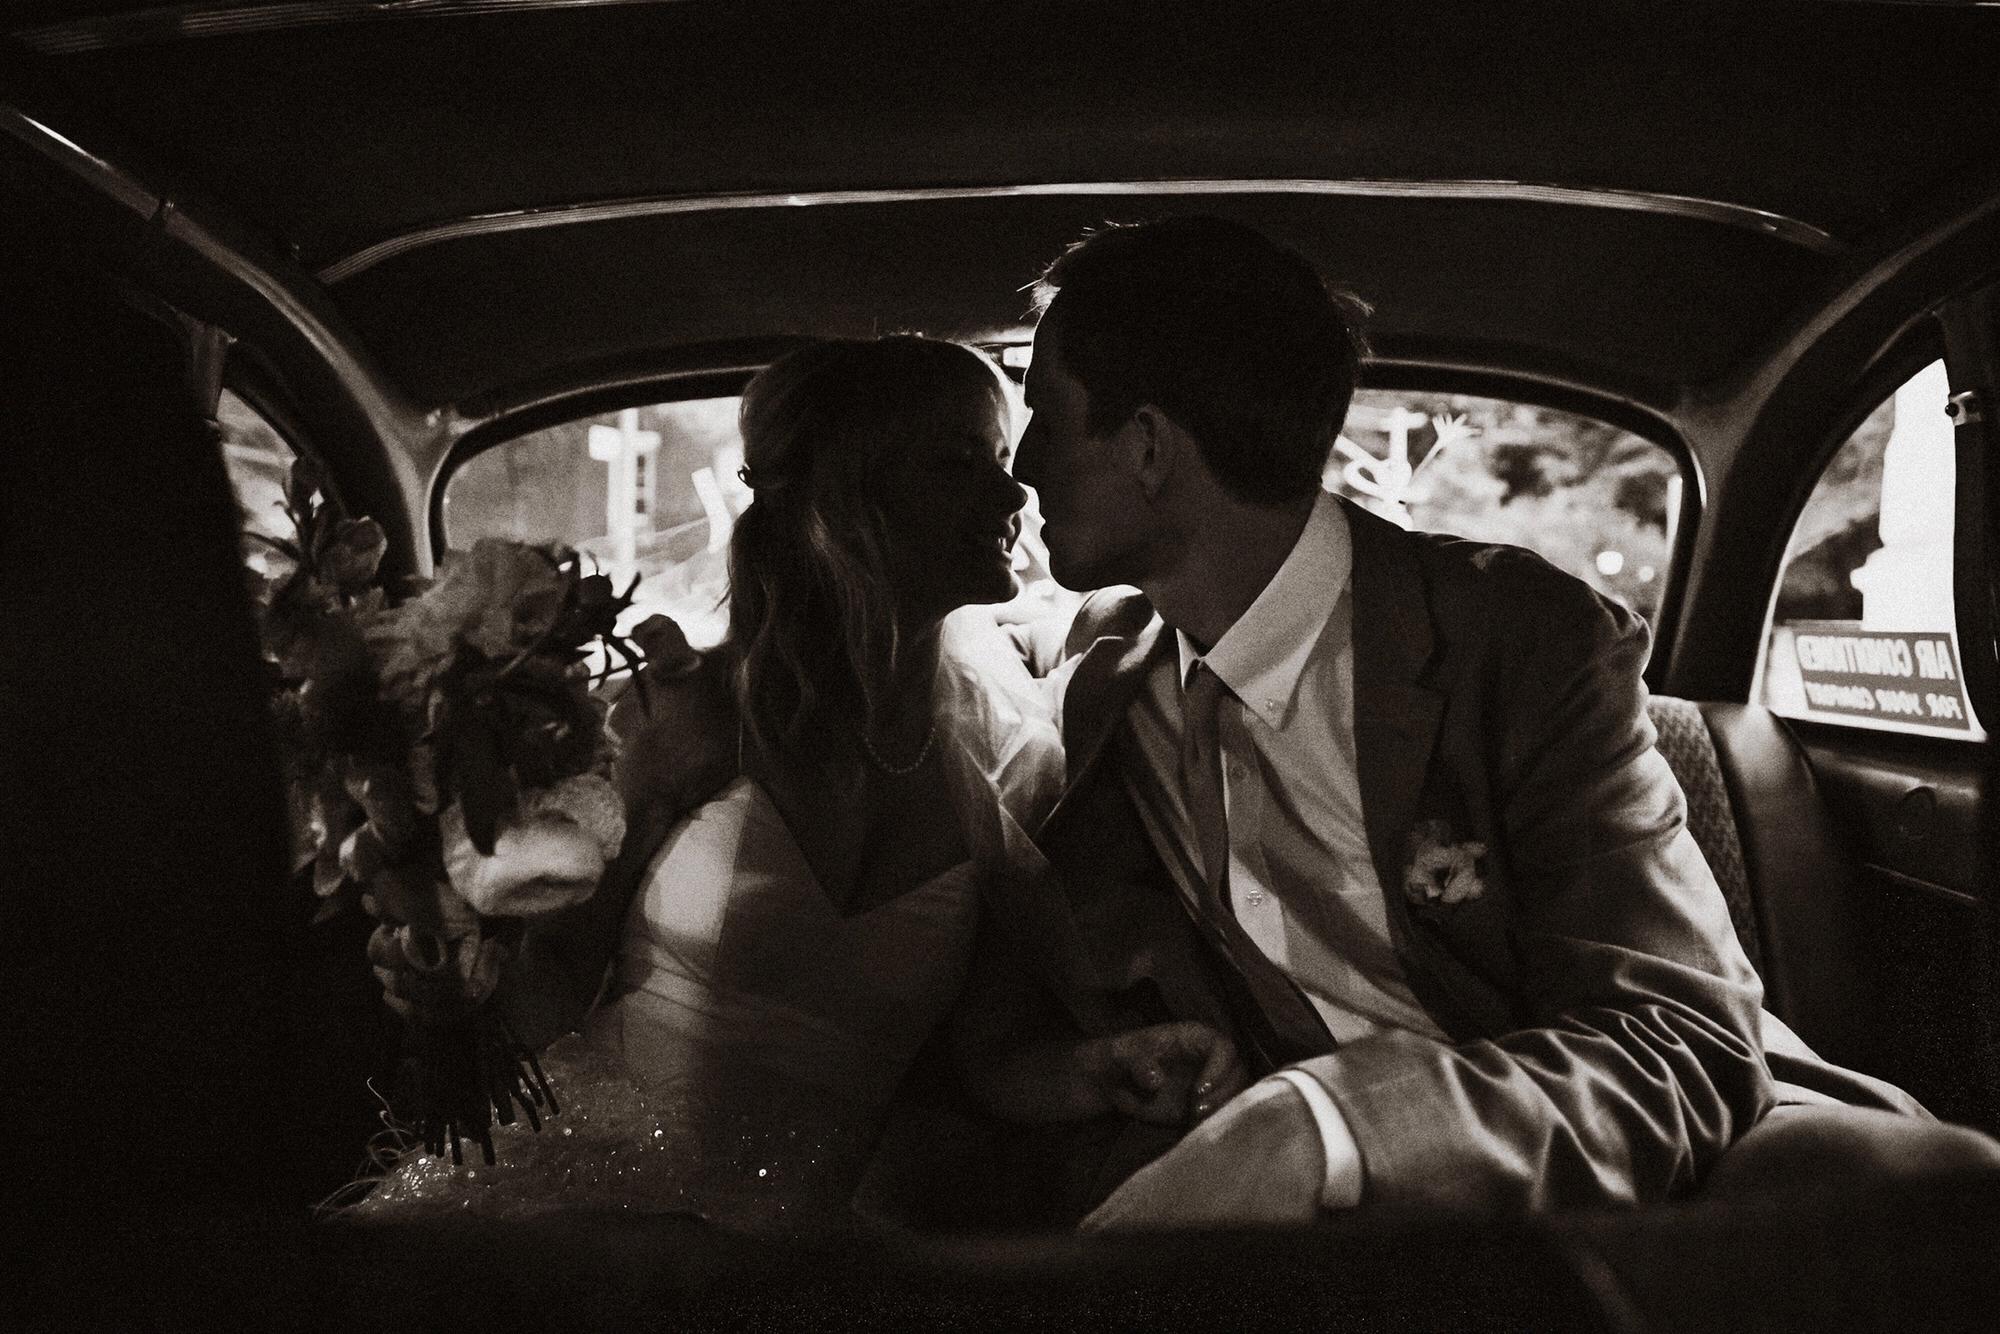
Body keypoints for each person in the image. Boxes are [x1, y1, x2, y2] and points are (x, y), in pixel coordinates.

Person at [978, 216, 1999, 1229]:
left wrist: (1323, 1126)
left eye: (1046, 420)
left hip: (1610, 1142)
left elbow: (1679, 1042)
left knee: (1918, 1195)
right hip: (1312, 1208)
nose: (1021, 466)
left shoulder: (1521, 640)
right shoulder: (1108, 663)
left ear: (1149, 445)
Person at [355, 335, 1242, 1231]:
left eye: (1003, 461)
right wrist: (452, 996)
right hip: (589, 1215)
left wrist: (1108, 1067)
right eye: (961, 463)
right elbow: (549, 982)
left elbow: (987, 1058)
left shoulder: (1010, 767)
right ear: (850, 498)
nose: (1014, 494)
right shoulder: (689, 713)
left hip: (799, 1267)